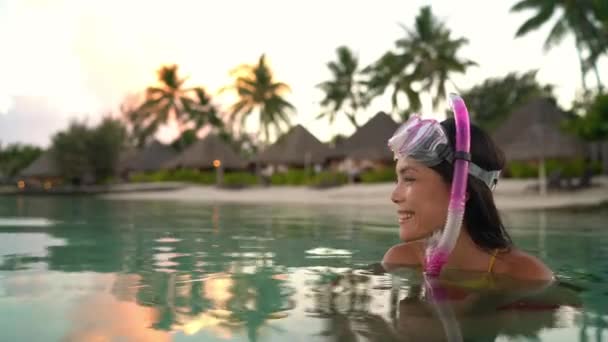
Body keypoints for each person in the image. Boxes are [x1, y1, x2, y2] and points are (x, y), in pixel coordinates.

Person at [383, 117, 554, 281]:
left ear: (461, 190)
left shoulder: (526, 275)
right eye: (397, 180)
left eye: (409, 179)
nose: (394, 196)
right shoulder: (400, 261)